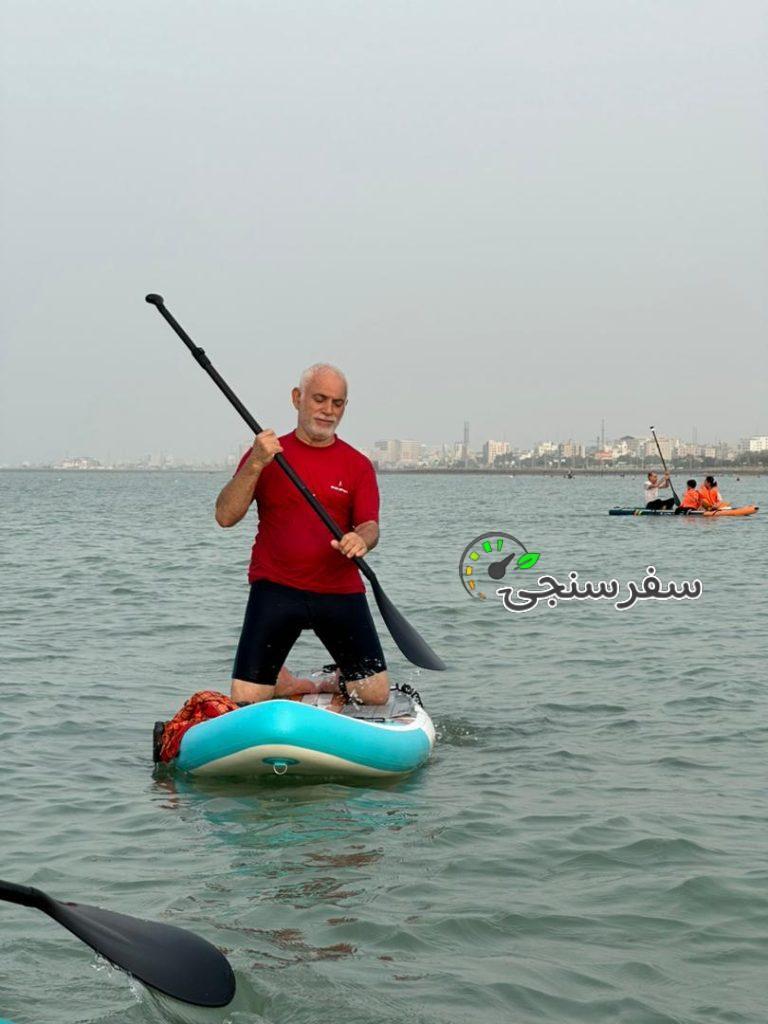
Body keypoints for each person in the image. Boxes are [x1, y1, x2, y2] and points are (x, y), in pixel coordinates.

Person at [214, 363, 389, 707]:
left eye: (337, 403)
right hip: (276, 587)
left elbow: (370, 524)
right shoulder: (266, 454)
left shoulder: (357, 464)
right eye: (320, 399)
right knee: (247, 699)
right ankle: (285, 682)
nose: (328, 410)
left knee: (374, 695)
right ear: (298, 399)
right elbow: (225, 516)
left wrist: (361, 539)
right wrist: (255, 464)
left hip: (338, 590)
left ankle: (330, 681)